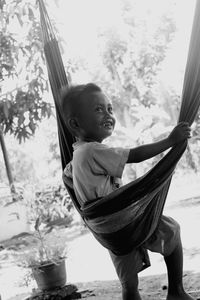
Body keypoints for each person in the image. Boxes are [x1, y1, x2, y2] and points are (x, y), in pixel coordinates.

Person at [61, 83, 194, 300]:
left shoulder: (77, 156)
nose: (108, 114)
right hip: (127, 221)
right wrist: (170, 142)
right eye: (98, 109)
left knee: (129, 285)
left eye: (110, 109)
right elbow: (135, 155)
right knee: (171, 231)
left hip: (111, 233)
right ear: (75, 124)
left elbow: (68, 176)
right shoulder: (92, 150)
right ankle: (176, 291)